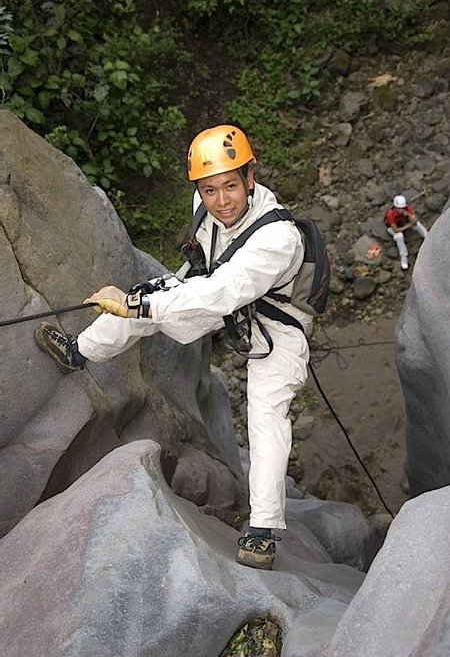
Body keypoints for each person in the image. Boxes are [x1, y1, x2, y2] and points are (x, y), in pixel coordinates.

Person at [34, 124, 312, 571]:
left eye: (230, 186)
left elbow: (224, 290)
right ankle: (79, 351)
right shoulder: (207, 206)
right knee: (144, 301)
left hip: (276, 325)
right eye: (209, 189)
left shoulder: (277, 238)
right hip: (217, 294)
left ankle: (262, 529)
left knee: (266, 411)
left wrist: (139, 305)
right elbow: (206, 278)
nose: (221, 201)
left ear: (250, 177)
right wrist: (143, 301)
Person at [383, 194, 428, 271]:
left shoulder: (407, 209)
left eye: (403, 208)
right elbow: (395, 230)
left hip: (403, 223)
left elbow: (415, 221)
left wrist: (409, 215)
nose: (401, 210)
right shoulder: (390, 214)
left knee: (418, 225)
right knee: (399, 236)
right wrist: (408, 226)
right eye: (399, 208)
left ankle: (427, 237)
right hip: (392, 228)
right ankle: (404, 257)